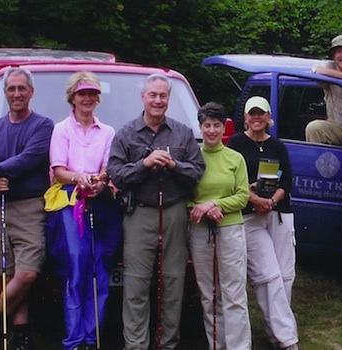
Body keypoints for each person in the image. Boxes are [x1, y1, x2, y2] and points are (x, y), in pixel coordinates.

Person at [107, 73, 204, 350]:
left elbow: (197, 172)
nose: (158, 100)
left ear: (168, 99)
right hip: (139, 212)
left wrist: (174, 165)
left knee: (173, 283)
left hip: (174, 212)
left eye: (163, 96)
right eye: (153, 95)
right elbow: (115, 173)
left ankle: (167, 343)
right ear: (143, 97)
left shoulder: (183, 133)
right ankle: (136, 345)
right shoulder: (126, 134)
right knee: (136, 285)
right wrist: (145, 163)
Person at [0, 67, 54, 350]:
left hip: (29, 206)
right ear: (5, 94)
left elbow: (28, 159)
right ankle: (21, 333)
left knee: (27, 273)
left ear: (31, 92)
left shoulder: (43, 126)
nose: (16, 94)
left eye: (21, 89)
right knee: (6, 273)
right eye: (11, 89)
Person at [46, 72, 122, 350]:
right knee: (77, 266)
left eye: (92, 93)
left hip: (100, 201)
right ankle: (73, 338)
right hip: (70, 200)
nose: (87, 98)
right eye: (82, 94)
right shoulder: (61, 129)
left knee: (99, 269)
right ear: (73, 98)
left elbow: (107, 167)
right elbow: (59, 171)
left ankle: (92, 337)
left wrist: (100, 182)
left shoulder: (108, 131)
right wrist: (79, 177)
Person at [227, 96, 301, 350]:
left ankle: (276, 332)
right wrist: (256, 200)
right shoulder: (235, 144)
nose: (257, 118)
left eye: (261, 114)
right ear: (245, 118)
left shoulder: (277, 146)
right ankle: (288, 339)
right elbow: (232, 181)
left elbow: (287, 180)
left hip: (279, 214)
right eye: (252, 114)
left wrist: (272, 201)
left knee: (285, 276)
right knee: (268, 276)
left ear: (269, 117)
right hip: (250, 216)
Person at [188, 102, 252, 349]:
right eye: (207, 125)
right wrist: (202, 209)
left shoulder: (235, 158)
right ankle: (216, 344)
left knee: (233, 292)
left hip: (230, 228)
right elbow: (185, 196)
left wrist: (214, 204)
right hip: (200, 230)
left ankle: (239, 346)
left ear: (224, 127)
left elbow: (242, 195)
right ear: (201, 127)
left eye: (216, 125)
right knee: (208, 293)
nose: (212, 130)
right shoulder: (193, 157)